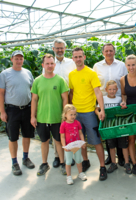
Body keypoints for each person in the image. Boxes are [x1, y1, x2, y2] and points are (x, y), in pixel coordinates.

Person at [69, 47, 107, 181]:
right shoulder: (71, 74)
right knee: (80, 141)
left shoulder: (90, 73)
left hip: (89, 113)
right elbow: (72, 93)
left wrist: (101, 109)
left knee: (96, 141)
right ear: (72, 58)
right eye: (75, 57)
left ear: (84, 57)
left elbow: (98, 92)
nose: (78, 59)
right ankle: (85, 161)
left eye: (80, 56)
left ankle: (102, 167)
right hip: (76, 114)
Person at [31, 54, 69, 176]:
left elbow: (65, 99)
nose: (49, 65)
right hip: (42, 118)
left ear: (54, 65)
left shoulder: (60, 80)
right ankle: (44, 164)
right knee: (44, 141)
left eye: (52, 63)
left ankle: (63, 163)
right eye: (47, 63)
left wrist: (65, 117)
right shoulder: (37, 81)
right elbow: (34, 100)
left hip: (57, 118)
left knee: (58, 141)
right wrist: (33, 116)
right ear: (43, 65)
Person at [0, 50, 35, 176]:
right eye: (16, 58)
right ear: (11, 59)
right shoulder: (5, 74)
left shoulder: (28, 73)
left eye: (21, 58)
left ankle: (25, 158)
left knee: (27, 135)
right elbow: (1, 93)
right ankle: (14, 162)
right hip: (12, 110)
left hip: (27, 108)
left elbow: (32, 91)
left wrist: (33, 111)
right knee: (13, 137)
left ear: (23, 60)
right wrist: (2, 111)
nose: (19, 61)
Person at [93, 43, 127, 166]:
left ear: (114, 52)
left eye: (111, 50)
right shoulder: (97, 66)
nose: (109, 53)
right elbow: (95, 85)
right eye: (106, 51)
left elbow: (124, 83)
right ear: (103, 52)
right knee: (107, 129)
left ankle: (121, 156)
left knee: (119, 128)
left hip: (118, 100)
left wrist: (124, 99)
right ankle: (110, 156)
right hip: (104, 101)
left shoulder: (121, 65)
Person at [95, 80, 131, 174]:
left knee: (124, 144)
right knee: (111, 146)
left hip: (119, 126)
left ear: (117, 89)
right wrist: (99, 114)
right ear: (106, 89)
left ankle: (127, 163)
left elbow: (124, 108)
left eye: (114, 89)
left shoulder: (119, 99)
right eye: (110, 89)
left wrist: (124, 106)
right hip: (109, 126)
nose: (112, 91)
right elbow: (97, 109)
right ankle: (113, 163)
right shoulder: (103, 99)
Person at [50, 38, 76, 168]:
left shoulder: (71, 63)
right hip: (55, 100)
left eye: (61, 48)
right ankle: (57, 155)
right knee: (57, 129)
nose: (59, 50)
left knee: (71, 127)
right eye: (57, 48)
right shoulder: (49, 63)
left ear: (65, 49)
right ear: (53, 49)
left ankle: (71, 155)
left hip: (70, 99)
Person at [60, 104, 87, 185]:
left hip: (77, 146)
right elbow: (62, 137)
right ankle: (69, 177)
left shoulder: (77, 123)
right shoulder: (63, 125)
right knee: (68, 162)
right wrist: (64, 146)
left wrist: (83, 142)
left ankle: (80, 173)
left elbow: (81, 133)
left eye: (74, 114)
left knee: (78, 160)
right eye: (71, 114)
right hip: (68, 147)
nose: (73, 116)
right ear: (65, 115)